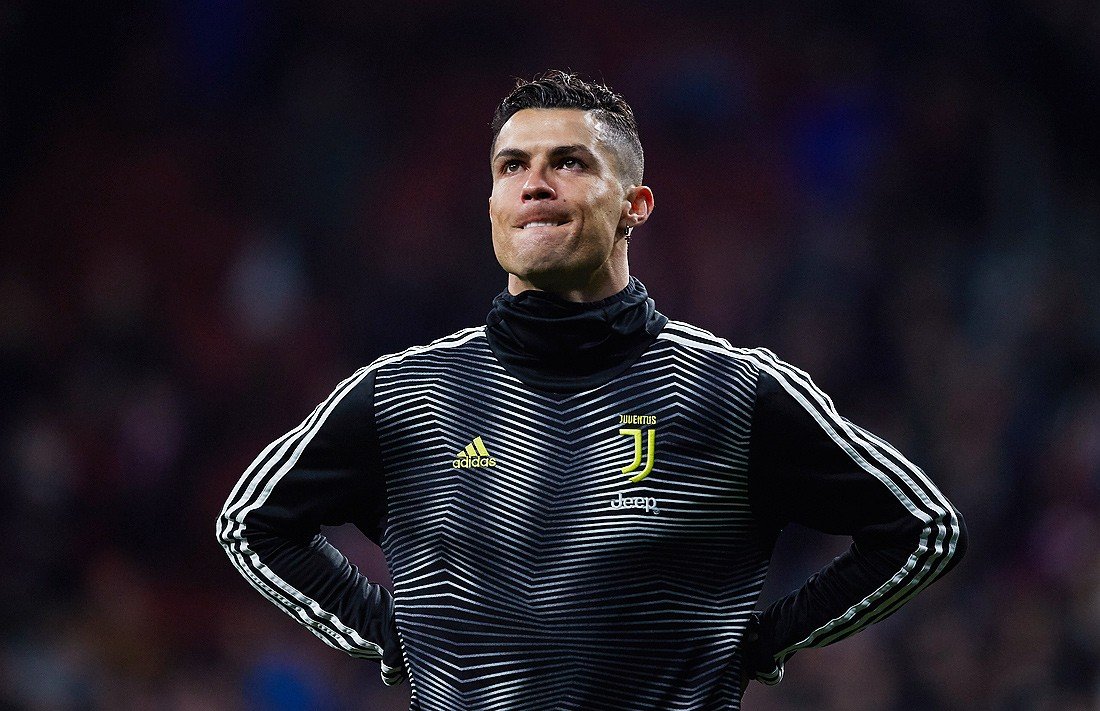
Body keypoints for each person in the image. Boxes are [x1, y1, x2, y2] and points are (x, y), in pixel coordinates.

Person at [217, 70, 967, 710]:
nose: (534, 182)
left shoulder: (731, 390)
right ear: (491, 206)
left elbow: (922, 527)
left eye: (569, 162)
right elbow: (251, 521)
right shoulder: (406, 393)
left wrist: (766, 643)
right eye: (511, 166)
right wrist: (388, 636)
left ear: (635, 205)